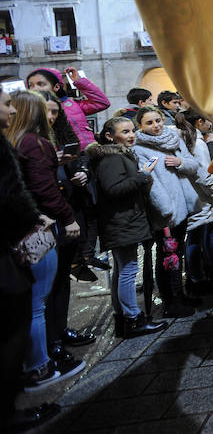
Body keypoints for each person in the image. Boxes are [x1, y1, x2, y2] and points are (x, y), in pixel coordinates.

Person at [6, 91, 85, 391]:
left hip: (19, 232)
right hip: (36, 230)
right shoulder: (35, 143)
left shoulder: (15, 142)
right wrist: (67, 216)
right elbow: (44, 189)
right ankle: (39, 367)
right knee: (38, 302)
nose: (9, 110)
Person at [0, 84, 61, 431]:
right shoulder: (29, 145)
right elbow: (13, 196)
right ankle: (32, 374)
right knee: (26, 312)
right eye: (6, 104)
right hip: (11, 249)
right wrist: (37, 218)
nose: (10, 111)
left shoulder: (13, 143)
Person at [88, 118, 168, 338]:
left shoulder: (117, 155)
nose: (132, 135)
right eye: (125, 131)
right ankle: (133, 319)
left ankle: (124, 319)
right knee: (128, 270)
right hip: (123, 222)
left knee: (122, 270)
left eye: (132, 130)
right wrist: (143, 175)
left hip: (123, 221)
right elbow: (114, 189)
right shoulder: (113, 158)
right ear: (110, 136)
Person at [36, 90, 98, 353]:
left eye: (55, 112)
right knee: (46, 287)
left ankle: (60, 331)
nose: (51, 117)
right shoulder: (30, 142)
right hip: (49, 219)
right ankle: (49, 344)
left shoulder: (61, 133)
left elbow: (81, 155)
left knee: (62, 278)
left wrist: (82, 171)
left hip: (71, 210)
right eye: (46, 111)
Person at [133, 105, 206, 318]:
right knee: (166, 256)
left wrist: (180, 162)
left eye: (157, 120)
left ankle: (179, 293)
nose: (156, 125)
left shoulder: (173, 138)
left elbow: (193, 165)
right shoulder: (139, 149)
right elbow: (151, 184)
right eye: (149, 122)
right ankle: (170, 301)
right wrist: (166, 211)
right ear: (140, 126)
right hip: (165, 213)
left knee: (177, 253)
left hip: (183, 206)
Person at [174, 111, 213, 297]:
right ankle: (200, 277)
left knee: (194, 238)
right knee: (197, 238)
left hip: (186, 197)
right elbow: (204, 173)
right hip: (199, 197)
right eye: (208, 120)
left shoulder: (177, 140)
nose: (211, 124)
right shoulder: (198, 143)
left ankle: (198, 276)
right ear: (199, 122)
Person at [26, 66, 110, 151]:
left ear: (57, 87)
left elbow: (102, 103)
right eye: (30, 85)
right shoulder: (26, 110)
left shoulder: (72, 104)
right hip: (59, 156)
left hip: (88, 151)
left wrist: (79, 81)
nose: (35, 89)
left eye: (40, 84)